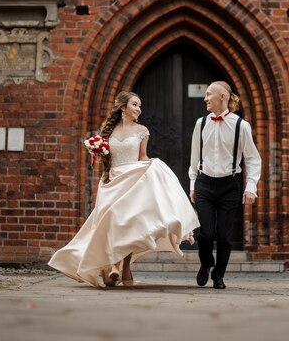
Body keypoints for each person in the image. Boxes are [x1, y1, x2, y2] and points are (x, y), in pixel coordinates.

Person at [49, 91, 200, 288]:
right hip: (112, 181)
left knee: (130, 224)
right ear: (123, 108)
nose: (139, 109)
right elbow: (106, 160)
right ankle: (112, 265)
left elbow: (142, 157)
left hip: (133, 180)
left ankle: (121, 267)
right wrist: (98, 153)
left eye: (140, 105)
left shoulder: (142, 130)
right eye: (135, 104)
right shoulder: (107, 130)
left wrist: (154, 165)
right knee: (111, 222)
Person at [188, 81, 261, 289]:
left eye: (209, 94)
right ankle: (206, 264)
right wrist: (193, 183)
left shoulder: (241, 126)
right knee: (206, 233)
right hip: (204, 183)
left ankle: (219, 275)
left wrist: (251, 187)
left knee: (224, 236)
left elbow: (253, 159)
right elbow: (194, 157)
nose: (205, 98)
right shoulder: (200, 123)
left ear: (223, 97)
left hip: (229, 186)